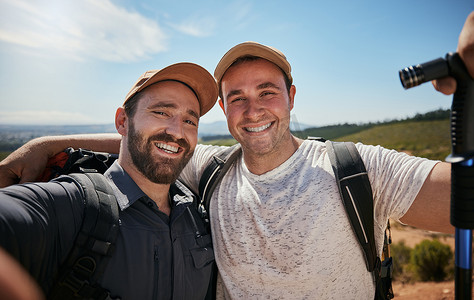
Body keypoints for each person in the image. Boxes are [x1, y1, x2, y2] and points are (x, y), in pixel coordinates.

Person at [1, 12, 473, 299]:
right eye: (238, 98)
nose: (254, 110)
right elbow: (150, 141)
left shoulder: (358, 169)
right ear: (223, 108)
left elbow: (460, 201)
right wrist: (49, 145)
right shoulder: (212, 167)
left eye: (267, 92)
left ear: (291, 96)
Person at [0, 62, 219, 299]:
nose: (177, 132)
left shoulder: (199, 215)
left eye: (190, 121)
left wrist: (49, 144)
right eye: (161, 112)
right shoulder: (74, 206)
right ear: (122, 122)